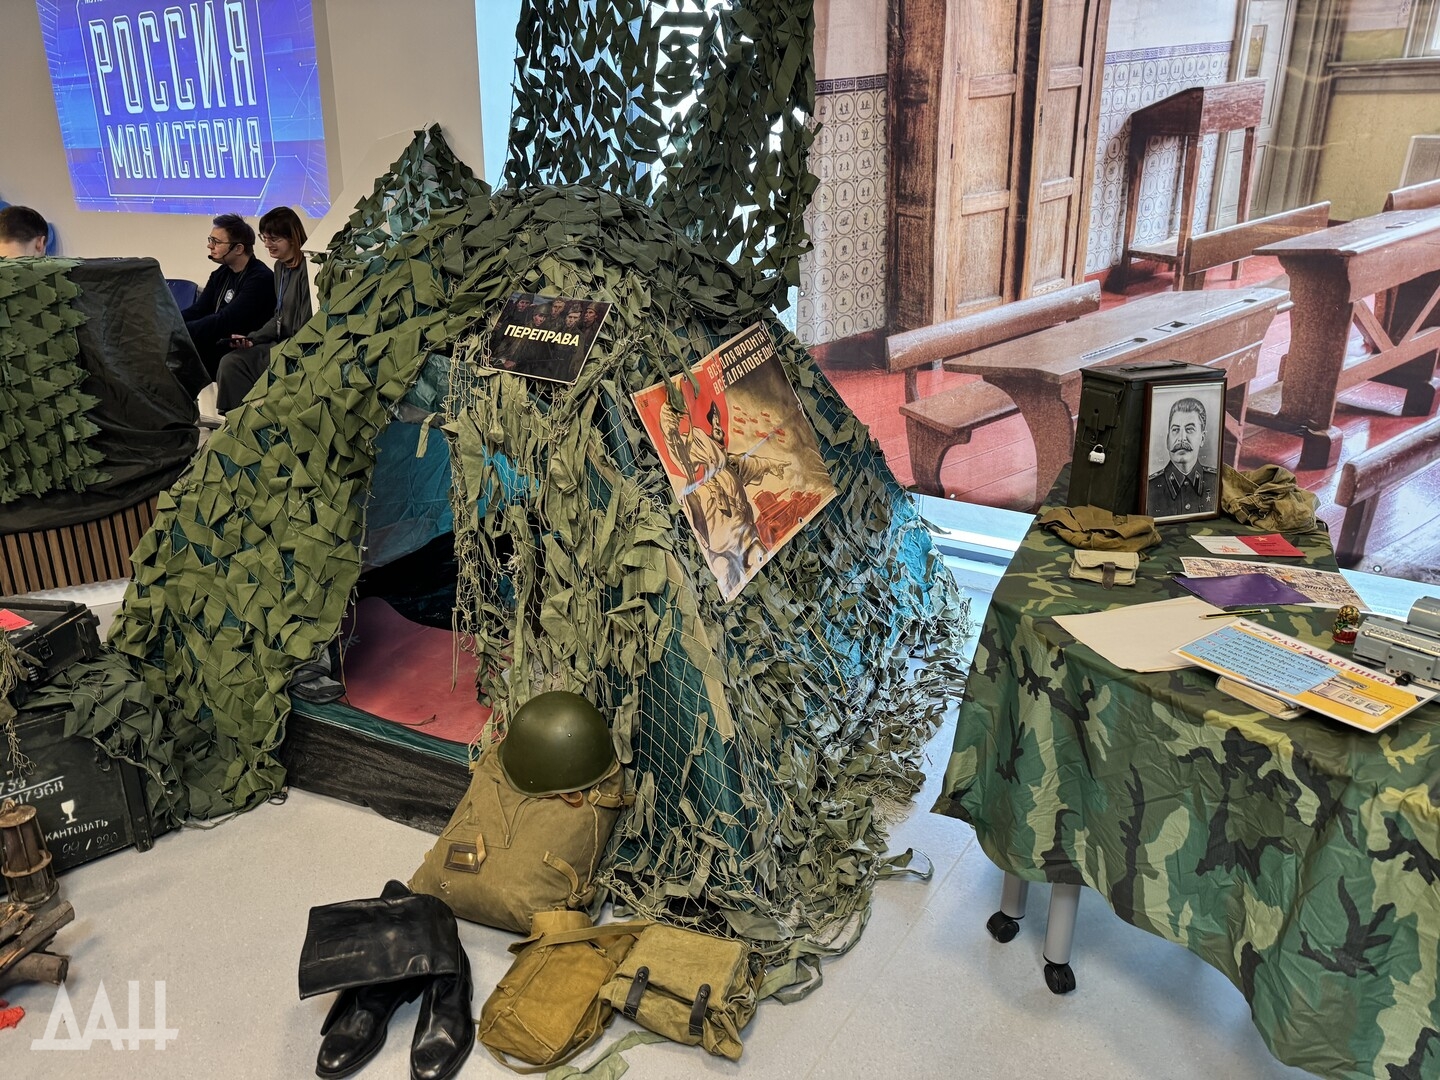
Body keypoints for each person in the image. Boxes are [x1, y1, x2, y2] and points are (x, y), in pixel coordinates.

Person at [658, 397, 784, 595]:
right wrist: (670, 412)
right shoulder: (696, 477)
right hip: (720, 553)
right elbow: (674, 443)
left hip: (748, 541)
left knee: (760, 563)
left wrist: (772, 465)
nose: (718, 426)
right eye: (713, 420)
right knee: (727, 577)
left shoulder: (727, 468)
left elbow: (748, 464)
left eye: (718, 420)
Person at [214, 207, 313, 412]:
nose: (267, 244)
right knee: (231, 363)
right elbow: (279, 316)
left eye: (274, 239)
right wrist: (253, 338)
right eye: (264, 238)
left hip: (298, 348)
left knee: (236, 365)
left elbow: (307, 325)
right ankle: (236, 421)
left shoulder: (309, 269)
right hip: (279, 344)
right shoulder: (280, 268)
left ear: (292, 238)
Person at [181, 213, 274, 380]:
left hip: (243, 350)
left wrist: (179, 331)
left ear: (238, 249)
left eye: (216, 242)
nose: (210, 246)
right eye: (210, 240)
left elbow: (227, 320)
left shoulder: (260, 278)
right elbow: (198, 310)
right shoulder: (221, 273)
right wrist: (170, 321)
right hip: (220, 343)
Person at [1146, 396, 1218, 518]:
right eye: (1175, 430)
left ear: (1202, 438)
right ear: (1168, 440)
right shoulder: (1149, 488)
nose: (1181, 438)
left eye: (1189, 429)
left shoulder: (1216, 482)